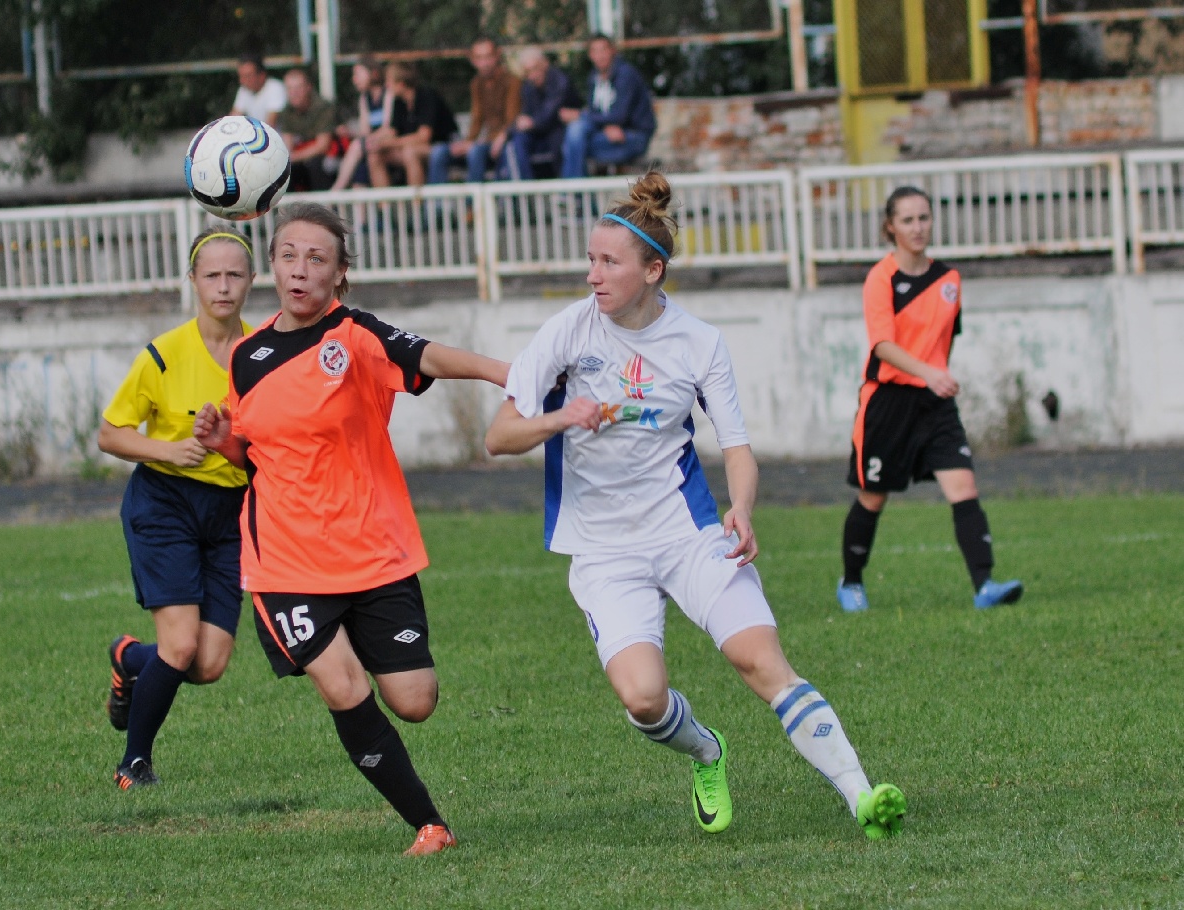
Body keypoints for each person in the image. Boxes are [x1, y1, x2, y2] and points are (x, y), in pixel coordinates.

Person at [484, 172, 907, 840]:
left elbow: (737, 447)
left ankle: (862, 795)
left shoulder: (699, 342)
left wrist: (742, 506)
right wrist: (562, 416)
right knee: (643, 699)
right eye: (591, 260)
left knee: (760, 661)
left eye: (609, 263)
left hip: (688, 532)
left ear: (652, 271)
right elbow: (499, 437)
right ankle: (707, 752)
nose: (593, 276)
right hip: (601, 548)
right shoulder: (566, 331)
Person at [192, 202, 509, 855]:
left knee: (415, 700)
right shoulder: (248, 356)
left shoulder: (355, 335)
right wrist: (225, 441)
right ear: (271, 265)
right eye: (287, 256)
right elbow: (255, 454)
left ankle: (355, 644)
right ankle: (430, 825)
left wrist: (507, 373)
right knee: (341, 685)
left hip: (371, 549)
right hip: (284, 559)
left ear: (339, 273)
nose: (299, 270)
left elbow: (427, 356)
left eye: (316, 259)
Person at [98, 228, 254, 790]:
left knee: (207, 664)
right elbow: (110, 433)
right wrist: (168, 450)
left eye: (234, 275)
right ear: (192, 281)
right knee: (181, 644)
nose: (223, 286)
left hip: (231, 512)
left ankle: (129, 659)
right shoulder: (163, 354)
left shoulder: (264, 354)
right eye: (212, 275)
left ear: (251, 281)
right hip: (165, 501)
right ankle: (133, 764)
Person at [838, 186, 1025, 613]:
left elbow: (943, 340)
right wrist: (928, 373)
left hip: (934, 404)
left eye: (924, 218)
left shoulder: (949, 280)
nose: (918, 227)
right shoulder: (880, 278)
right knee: (874, 496)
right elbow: (882, 345)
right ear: (890, 227)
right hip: (887, 401)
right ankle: (851, 583)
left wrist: (935, 378)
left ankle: (985, 586)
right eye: (907, 220)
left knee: (964, 486)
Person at [560, 35, 657, 179]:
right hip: (607, 134)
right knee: (575, 134)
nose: (600, 56)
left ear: (613, 51)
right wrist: (605, 126)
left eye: (603, 50)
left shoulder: (626, 74)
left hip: (631, 135)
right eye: (595, 51)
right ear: (590, 55)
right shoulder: (593, 78)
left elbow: (620, 115)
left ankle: (574, 190)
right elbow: (595, 112)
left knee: (574, 145)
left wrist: (581, 115)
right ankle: (577, 189)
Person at [366, 62, 457, 188]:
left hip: (443, 146)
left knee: (410, 153)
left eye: (389, 81)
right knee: (375, 156)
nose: (386, 85)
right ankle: (385, 200)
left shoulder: (426, 96)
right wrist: (376, 142)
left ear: (401, 84)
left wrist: (389, 143)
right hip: (414, 148)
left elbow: (423, 137)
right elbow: (393, 131)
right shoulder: (399, 102)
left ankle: (416, 199)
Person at [447, 37, 520, 183]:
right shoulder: (476, 83)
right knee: (440, 153)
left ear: (497, 56)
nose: (484, 63)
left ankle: (473, 197)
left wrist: (477, 143)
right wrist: (467, 142)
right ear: (473, 60)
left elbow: (512, 119)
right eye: (479, 58)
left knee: (475, 151)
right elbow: (477, 118)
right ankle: (437, 198)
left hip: (506, 140)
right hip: (486, 141)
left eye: (488, 57)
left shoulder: (512, 81)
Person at [505, 46, 582, 180]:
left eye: (535, 68)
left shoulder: (560, 80)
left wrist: (532, 122)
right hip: (538, 132)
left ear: (545, 63)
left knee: (562, 139)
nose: (532, 75)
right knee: (517, 140)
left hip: (559, 129)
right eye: (527, 71)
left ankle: (566, 186)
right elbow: (525, 114)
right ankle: (524, 187)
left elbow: (552, 115)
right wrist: (517, 126)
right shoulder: (528, 86)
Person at [330, 55, 393, 191]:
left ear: (374, 73)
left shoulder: (388, 94)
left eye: (358, 74)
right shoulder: (364, 98)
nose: (354, 79)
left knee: (358, 146)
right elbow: (365, 131)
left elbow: (388, 128)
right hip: (370, 144)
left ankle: (337, 189)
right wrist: (349, 132)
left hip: (386, 142)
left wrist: (367, 139)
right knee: (360, 170)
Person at [278, 67, 339, 193]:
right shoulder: (287, 111)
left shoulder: (322, 107)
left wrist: (293, 157)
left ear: (308, 87)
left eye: (298, 88)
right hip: (304, 155)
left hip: (330, 156)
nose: (294, 93)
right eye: (290, 89)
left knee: (315, 165)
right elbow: (288, 146)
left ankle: (323, 204)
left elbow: (323, 146)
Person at [230, 53, 286, 129]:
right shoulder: (244, 90)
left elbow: (270, 125)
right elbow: (233, 120)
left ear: (262, 75)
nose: (242, 81)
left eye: (248, 76)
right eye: (241, 76)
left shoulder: (275, 88)